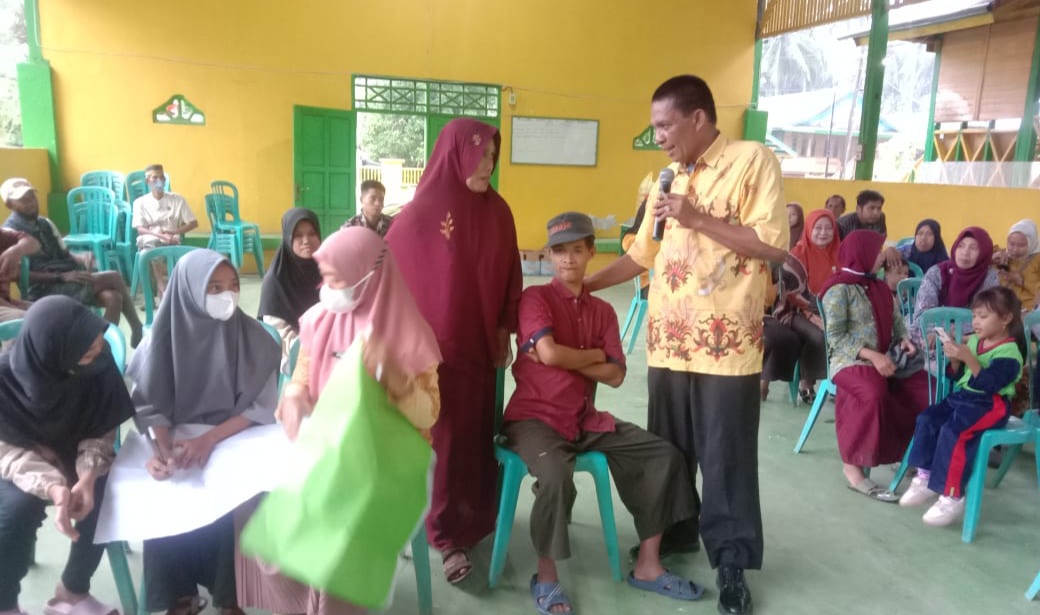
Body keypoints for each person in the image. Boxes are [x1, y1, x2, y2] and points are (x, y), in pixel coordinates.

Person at [585, 75, 788, 615]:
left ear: (698, 118)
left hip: (726, 345)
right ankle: (676, 533)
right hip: (670, 343)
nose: (658, 137)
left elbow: (771, 245)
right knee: (668, 451)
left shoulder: (752, 161)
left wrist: (696, 217)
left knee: (726, 457)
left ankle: (731, 561)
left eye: (664, 126)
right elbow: (642, 256)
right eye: (654, 128)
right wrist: (584, 286)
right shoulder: (666, 179)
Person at [506, 213, 702, 614]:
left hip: (583, 419)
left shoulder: (602, 312)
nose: (568, 259)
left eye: (577, 250)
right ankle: (546, 577)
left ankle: (648, 564)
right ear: (549, 255)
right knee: (555, 474)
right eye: (560, 251)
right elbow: (550, 354)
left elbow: (615, 376)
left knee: (662, 456)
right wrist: (593, 355)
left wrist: (567, 358)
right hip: (534, 419)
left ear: (591, 253)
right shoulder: (535, 299)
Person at [270, 227, 441, 615]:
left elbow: (428, 413)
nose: (326, 289)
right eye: (325, 278)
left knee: (346, 531)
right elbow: (302, 376)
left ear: (368, 276)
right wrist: (294, 396)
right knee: (270, 507)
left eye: (336, 279)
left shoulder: (407, 332)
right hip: (333, 446)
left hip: (394, 458)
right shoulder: (320, 320)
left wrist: (394, 377)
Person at [385, 118, 522, 584]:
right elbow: (388, 280)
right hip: (432, 357)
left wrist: (504, 328)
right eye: (480, 154)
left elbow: (511, 275)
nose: (488, 164)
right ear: (455, 154)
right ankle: (443, 536)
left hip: (479, 349)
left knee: (473, 439)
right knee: (440, 442)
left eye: (492, 155)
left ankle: (474, 521)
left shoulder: (499, 212)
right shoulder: (418, 215)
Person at [128, 249, 279, 615]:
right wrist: (163, 450)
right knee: (166, 494)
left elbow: (259, 408)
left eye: (233, 286)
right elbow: (148, 405)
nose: (227, 296)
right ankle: (178, 596)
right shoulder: (159, 340)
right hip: (176, 435)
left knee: (235, 496)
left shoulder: (255, 339)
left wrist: (208, 439)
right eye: (214, 288)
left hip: (236, 436)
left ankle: (229, 598)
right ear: (189, 291)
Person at [0, 297, 133, 615]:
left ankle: (72, 590)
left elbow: (101, 427)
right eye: (86, 351)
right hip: (22, 462)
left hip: (79, 452)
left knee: (107, 494)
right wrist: (52, 486)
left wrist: (87, 476)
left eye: (98, 343)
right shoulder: (5, 382)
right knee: (14, 512)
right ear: (54, 352)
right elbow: (7, 451)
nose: (97, 352)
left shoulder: (98, 359)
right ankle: (5, 603)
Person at [818, 231, 930, 502]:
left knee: (925, 390)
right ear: (862, 253)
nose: (882, 256)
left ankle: (906, 454)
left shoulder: (878, 286)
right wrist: (873, 357)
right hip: (849, 359)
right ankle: (852, 467)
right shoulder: (838, 289)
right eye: (878, 251)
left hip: (886, 355)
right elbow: (836, 337)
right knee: (872, 392)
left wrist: (904, 340)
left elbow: (896, 320)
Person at [899, 286, 1024, 526]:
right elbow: (960, 377)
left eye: (983, 316)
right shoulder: (976, 341)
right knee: (928, 419)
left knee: (955, 432)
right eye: (974, 315)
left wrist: (968, 358)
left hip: (991, 404)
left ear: (1006, 319)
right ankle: (925, 476)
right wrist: (956, 361)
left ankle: (953, 495)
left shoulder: (1010, 353)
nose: (976, 322)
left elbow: (989, 385)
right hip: (965, 397)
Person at [1, 178, 144, 347]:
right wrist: (61, 276)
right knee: (113, 277)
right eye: (23, 200)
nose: (30, 202)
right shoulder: (9, 233)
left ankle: (100, 347)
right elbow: (20, 275)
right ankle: (136, 327)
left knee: (114, 298)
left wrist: (81, 257)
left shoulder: (45, 223)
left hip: (68, 279)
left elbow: (65, 253)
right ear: (9, 204)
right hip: (43, 289)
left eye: (31, 196)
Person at [775, 209, 839, 403]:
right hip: (795, 310)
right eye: (818, 228)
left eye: (828, 228)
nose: (823, 232)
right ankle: (807, 381)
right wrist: (812, 314)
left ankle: (841, 383)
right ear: (809, 229)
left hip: (831, 310)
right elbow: (792, 293)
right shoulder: (796, 255)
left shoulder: (840, 253)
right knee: (818, 335)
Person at [909, 227, 999, 349]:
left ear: (983, 252)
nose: (965, 252)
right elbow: (923, 311)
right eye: (961, 246)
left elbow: (987, 317)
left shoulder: (989, 277)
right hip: (932, 334)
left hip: (970, 337)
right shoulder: (937, 272)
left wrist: (949, 334)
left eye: (973, 248)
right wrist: (938, 333)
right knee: (915, 335)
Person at [258, 208, 322, 362]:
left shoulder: (328, 269)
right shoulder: (275, 281)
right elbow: (279, 336)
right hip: (293, 356)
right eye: (298, 235)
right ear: (288, 238)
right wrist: (314, 349)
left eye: (312, 233)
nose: (306, 241)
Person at [132, 164, 198, 298]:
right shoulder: (140, 202)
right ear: (148, 181)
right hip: (149, 237)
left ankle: (163, 288)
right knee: (150, 244)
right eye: (155, 178)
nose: (159, 181)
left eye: (162, 177)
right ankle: (162, 286)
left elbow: (193, 223)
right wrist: (160, 235)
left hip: (172, 238)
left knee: (154, 249)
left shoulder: (177, 199)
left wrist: (174, 232)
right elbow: (140, 229)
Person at [992, 219, 1040, 308]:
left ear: (1032, 243)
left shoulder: (1037, 260)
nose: (1015, 249)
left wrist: (1022, 282)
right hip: (1001, 307)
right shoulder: (1001, 256)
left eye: (1021, 245)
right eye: (1011, 244)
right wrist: (990, 259)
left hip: (1028, 310)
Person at [0, 226, 41, 322]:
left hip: (7, 301)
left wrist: (17, 250)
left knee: (54, 311)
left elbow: (34, 243)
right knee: (35, 320)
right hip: (5, 305)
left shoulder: (2, 235)